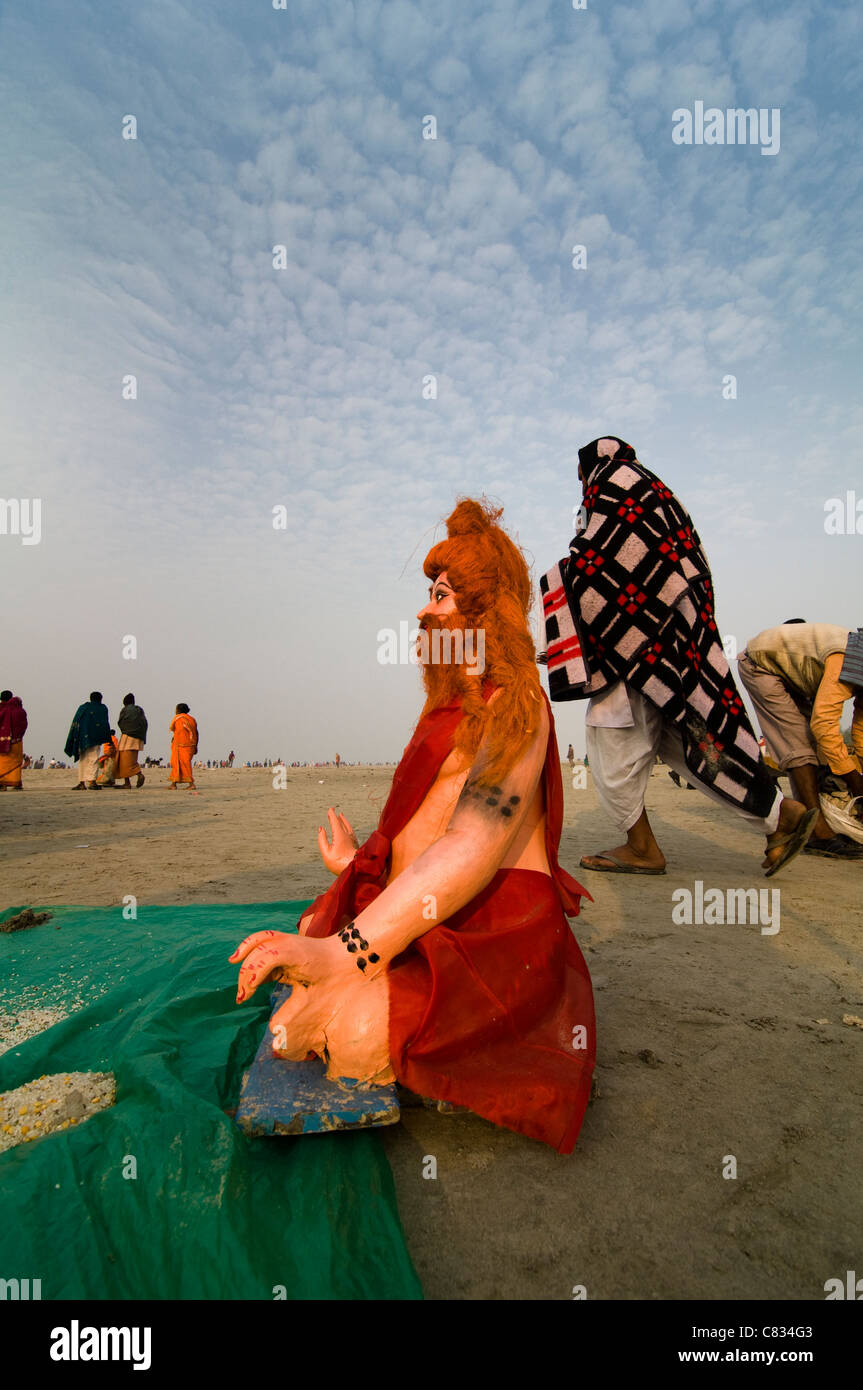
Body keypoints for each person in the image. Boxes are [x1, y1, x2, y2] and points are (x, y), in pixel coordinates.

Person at [230, 498, 595, 1155]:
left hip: (487, 930)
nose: (424, 610)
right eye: (428, 594)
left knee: (348, 1035)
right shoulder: (448, 707)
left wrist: (348, 954)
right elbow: (426, 826)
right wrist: (355, 864)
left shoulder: (515, 706)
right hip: (425, 909)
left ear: (484, 612)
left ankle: (382, 1004)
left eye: (440, 595)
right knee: (310, 945)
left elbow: (472, 843)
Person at [540, 437, 816, 876]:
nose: (580, 484)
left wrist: (562, 597)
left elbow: (603, 561)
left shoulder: (614, 484)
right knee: (691, 742)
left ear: (592, 464)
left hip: (635, 644)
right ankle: (781, 815)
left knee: (609, 743)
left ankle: (643, 847)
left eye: (579, 474)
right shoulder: (660, 492)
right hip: (672, 638)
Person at [738, 622, 863, 860]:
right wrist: (856, 783)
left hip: (792, 676)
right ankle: (818, 834)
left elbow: (860, 731)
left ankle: (817, 819)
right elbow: (824, 724)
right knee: (798, 744)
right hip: (760, 665)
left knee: (818, 749)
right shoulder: (845, 663)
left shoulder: (857, 667)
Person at [65, 692, 112, 790]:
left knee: (83, 760)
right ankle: (92, 782)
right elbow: (105, 724)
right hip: (95, 738)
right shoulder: (102, 708)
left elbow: (76, 722)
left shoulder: (83, 708)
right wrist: (108, 738)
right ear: (100, 699)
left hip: (82, 739)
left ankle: (82, 783)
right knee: (93, 759)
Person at [116, 693, 147, 788]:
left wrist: (126, 731)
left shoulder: (125, 710)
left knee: (123, 760)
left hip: (127, 738)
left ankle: (135, 776)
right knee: (132, 759)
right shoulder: (139, 710)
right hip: (138, 739)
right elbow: (144, 723)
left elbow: (121, 723)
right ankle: (129, 781)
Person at [0, 691, 28, 790]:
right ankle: (16, 783)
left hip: (2, 741)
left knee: (2, 761)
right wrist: (18, 736)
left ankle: (2, 783)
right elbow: (23, 725)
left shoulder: (2, 709)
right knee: (16, 761)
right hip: (16, 741)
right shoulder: (19, 711)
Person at [169, 704, 198, 789]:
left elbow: (176, 730)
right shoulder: (192, 719)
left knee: (182, 764)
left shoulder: (178, 718)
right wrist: (196, 745)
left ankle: (191, 784)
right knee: (179, 763)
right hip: (190, 745)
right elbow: (196, 733)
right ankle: (173, 783)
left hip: (181, 745)